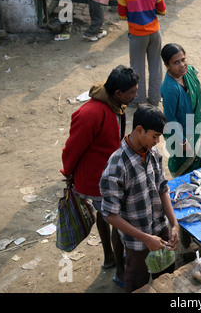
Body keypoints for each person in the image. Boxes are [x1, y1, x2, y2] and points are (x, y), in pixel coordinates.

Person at [61, 65, 139, 288]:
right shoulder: (90, 114)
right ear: (117, 93)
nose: (135, 96)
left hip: (107, 173)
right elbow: (72, 148)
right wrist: (68, 173)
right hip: (96, 179)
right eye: (132, 92)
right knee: (115, 218)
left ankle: (109, 258)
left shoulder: (115, 104)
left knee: (105, 216)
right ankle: (121, 271)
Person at [99, 104, 180, 293]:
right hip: (137, 242)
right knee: (138, 284)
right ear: (139, 130)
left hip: (160, 230)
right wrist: (146, 239)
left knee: (167, 278)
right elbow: (110, 215)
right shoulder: (117, 166)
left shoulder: (153, 154)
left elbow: (162, 188)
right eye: (154, 136)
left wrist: (173, 224)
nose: (157, 141)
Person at [160, 43, 201, 177]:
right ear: (167, 65)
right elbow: (170, 119)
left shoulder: (189, 72)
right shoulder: (170, 89)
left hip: (195, 127)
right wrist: (183, 141)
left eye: (183, 60)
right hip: (182, 136)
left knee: (199, 163)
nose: (182, 65)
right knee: (185, 169)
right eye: (176, 62)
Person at [117, 0, 166, 107]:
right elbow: (162, 10)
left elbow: (122, 15)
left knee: (137, 67)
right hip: (155, 33)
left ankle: (137, 99)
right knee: (156, 65)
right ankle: (155, 98)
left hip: (137, 34)